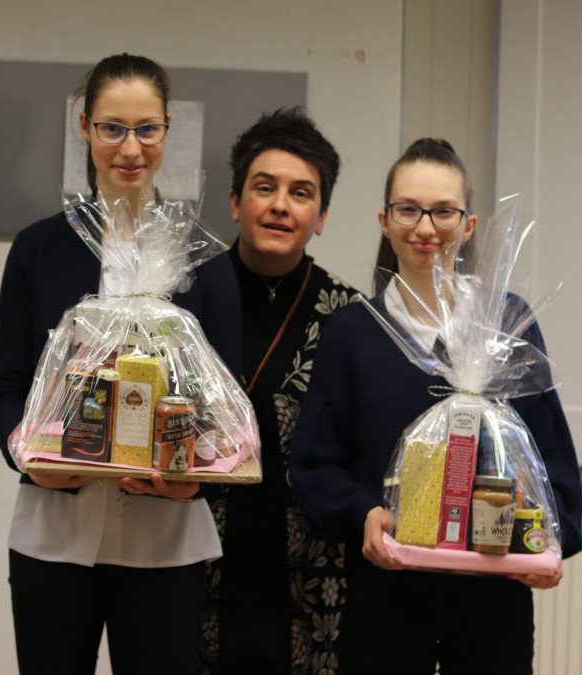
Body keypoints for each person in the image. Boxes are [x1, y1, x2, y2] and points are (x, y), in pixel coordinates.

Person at [289, 138, 582, 675]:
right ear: (385, 221)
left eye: (443, 211)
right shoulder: (352, 332)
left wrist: (549, 544)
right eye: (409, 209)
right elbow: (315, 463)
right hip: (386, 595)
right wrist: (364, 513)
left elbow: (550, 456)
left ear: (468, 225)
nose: (425, 228)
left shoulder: (506, 324)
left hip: (494, 595)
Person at [0, 53, 242, 675]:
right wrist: (28, 457)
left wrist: (196, 480)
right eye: (112, 128)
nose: (130, 148)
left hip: (166, 541)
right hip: (52, 533)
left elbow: (228, 403)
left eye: (147, 129)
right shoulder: (37, 249)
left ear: (167, 130)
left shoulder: (205, 258)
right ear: (84, 127)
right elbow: (8, 386)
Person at [198, 108, 359, 675]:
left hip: (312, 572)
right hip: (198, 560)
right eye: (264, 188)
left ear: (322, 217)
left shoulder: (351, 317)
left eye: (301, 193)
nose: (280, 206)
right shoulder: (185, 299)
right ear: (235, 201)